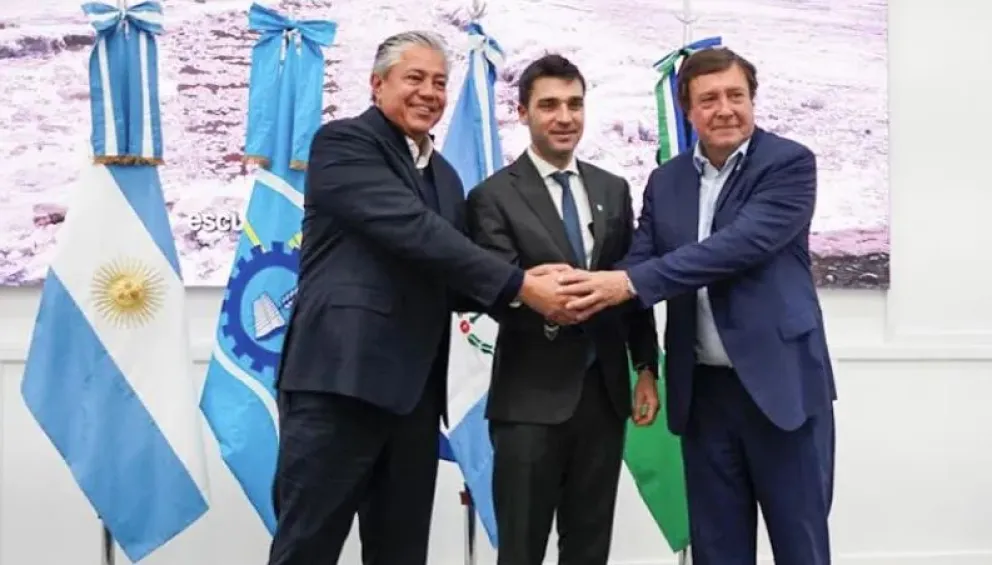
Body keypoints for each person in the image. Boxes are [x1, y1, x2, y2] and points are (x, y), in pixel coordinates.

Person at [267, 31, 574, 565]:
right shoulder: (343, 144)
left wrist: (540, 294)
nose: (429, 93)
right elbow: (414, 232)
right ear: (377, 84)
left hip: (413, 397)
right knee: (307, 548)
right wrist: (523, 285)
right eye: (415, 78)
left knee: (402, 551)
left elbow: (452, 277)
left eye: (439, 82)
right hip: (339, 384)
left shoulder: (446, 178)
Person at [554, 47, 837, 565]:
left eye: (735, 96)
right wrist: (576, 287)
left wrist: (627, 283)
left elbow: (735, 248)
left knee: (801, 547)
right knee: (716, 550)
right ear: (688, 110)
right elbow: (639, 260)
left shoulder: (789, 164)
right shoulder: (667, 181)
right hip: (701, 394)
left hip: (781, 389)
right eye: (708, 99)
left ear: (752, 100)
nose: (724, 109)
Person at [464, 54, 661, 565]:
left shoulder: (613, 189)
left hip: (604, 397)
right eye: (549, 105)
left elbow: (630, 283)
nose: (564, 117)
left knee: (590, 548)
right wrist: (545, 300)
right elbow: (495, 288)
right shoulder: (491, 197)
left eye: (575, 104)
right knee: (521, 550)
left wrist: (645, 367)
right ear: (522, 112)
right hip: (529, 401)